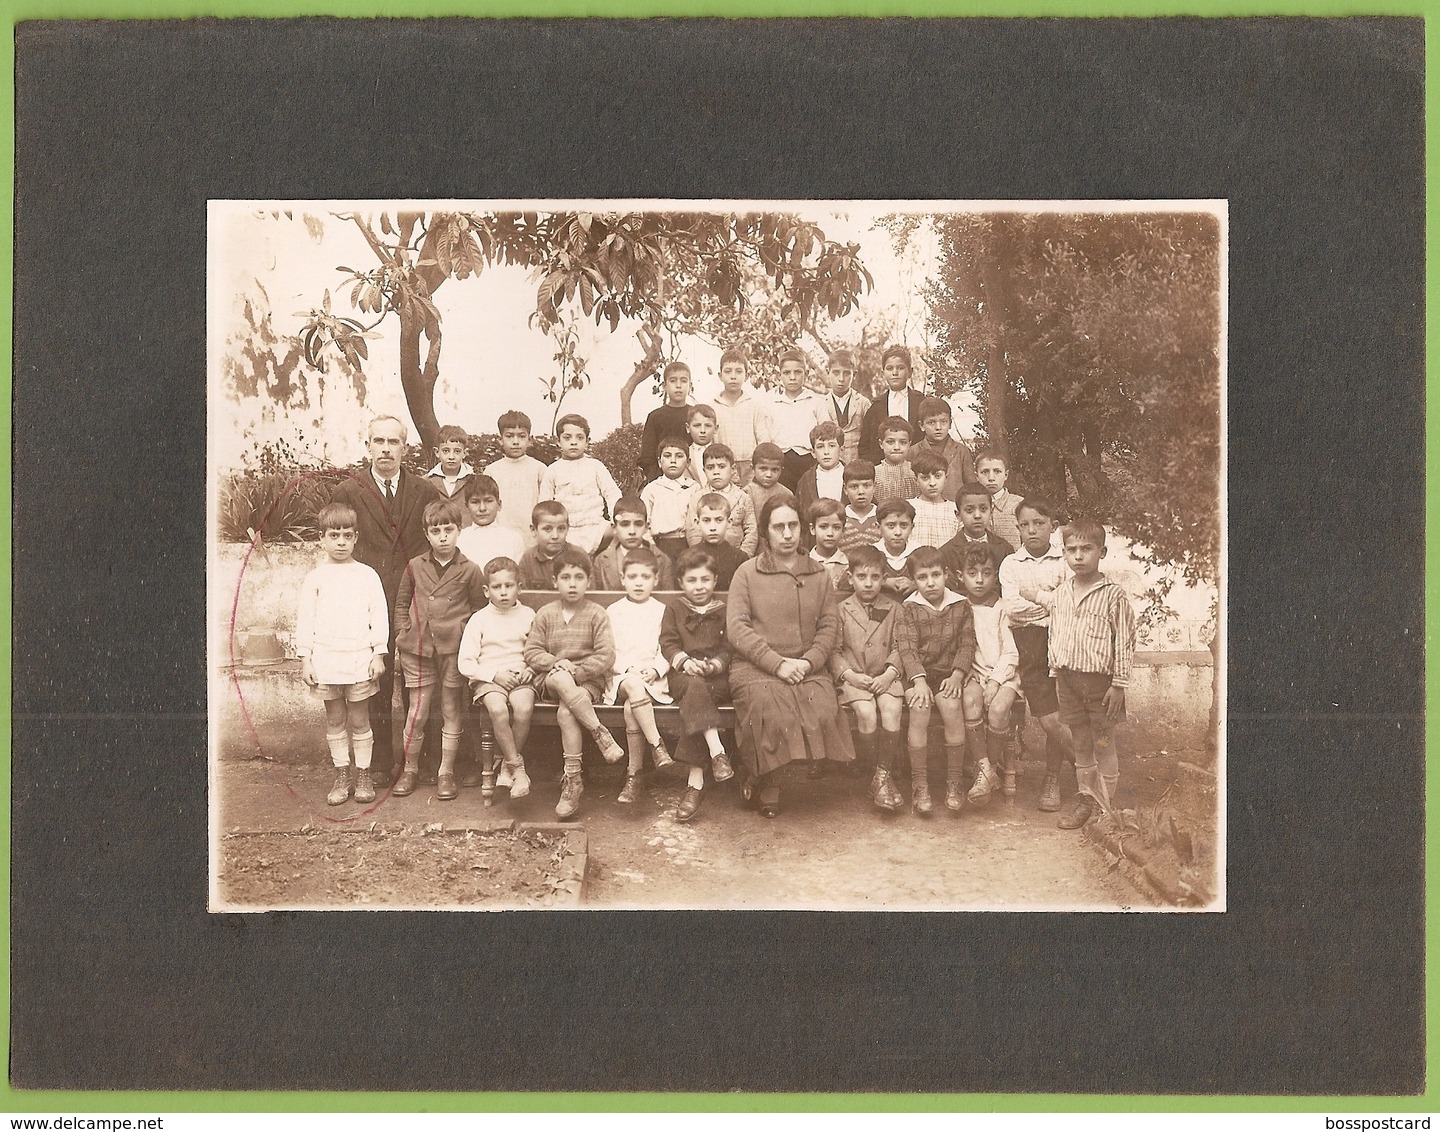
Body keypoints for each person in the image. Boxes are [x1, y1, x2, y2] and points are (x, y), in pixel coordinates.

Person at [328, 414, 441, 785]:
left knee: (416, 679)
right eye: (379, 442)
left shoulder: (424, 491)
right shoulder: (348, 491)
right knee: (372, 681)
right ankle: (375, 765)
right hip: (366, 601)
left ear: (404, 448)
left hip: (411, 601)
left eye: (394, 442)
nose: (386, 449)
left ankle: (418, 761)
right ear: (368, 447)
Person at [726, 498, 854, 818]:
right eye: (778, 527)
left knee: (821, 703)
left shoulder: (818, 573)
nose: (787, 534)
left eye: (793, 526)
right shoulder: (747, 572)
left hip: (805, 665)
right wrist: (776, 663)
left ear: (802, 529)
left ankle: (765, 773)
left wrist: (809, 661)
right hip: (756, 665)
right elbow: (737, 627)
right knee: (767, 704)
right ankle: (769, 781)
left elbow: (828, 624)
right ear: (766, 532)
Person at [1022, 520, 1136, 829]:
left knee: (1102, 742)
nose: (1079, 556)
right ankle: (1087, 799)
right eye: (1072, 550)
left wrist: (1119, 684)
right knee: (1081, 743)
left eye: (1086, 549)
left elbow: (1124, 641)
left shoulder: (1114, 596)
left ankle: (1105, 808)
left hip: (1101, 684)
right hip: (1068, 681)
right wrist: (1056, 671)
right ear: (1064, 554)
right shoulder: (1061, 594)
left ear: (1102, 551)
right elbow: (1056, 632)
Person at [392, 499, 488, 800]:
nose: (443, 536)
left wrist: (465, 638)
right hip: (417, 646)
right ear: (427, 534)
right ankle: (409, 769)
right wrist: (402, 632)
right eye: (436, 530)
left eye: (449, 529)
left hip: (452, 649)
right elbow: (401, 604)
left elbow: (478, 610)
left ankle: (445, 771)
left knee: (450, 708)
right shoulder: (414, 566)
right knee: (418, 711)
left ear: (459, 531)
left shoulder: (471, 569)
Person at [294, 502, 389, 807]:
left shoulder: (367, 575)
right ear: (322, 538)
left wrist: (378, 653)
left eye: (347, 535)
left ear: (356, 537)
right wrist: (306, 658)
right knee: (335, 719)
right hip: (326, 661)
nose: (340, 542)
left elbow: (380, 616)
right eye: (334, 535)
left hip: (358, 659)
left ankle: (364, 774)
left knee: (360, 721)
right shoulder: (316, 577)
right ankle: (342, 774)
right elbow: (305, 619)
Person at [523, 549, 626, 818]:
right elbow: (532, 652)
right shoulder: (546, 614)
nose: (572, 583)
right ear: (555, 581)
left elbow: (606, 655)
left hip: (586, 684)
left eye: (579, 577)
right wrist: (560, 662)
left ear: (588, 582)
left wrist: (577, 671)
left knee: (567, 711)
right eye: (565, 577)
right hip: (552, 679)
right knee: (559, 677)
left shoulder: (596, 614)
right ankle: (599, 731)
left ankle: (573, 781)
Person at [997, 496, 1075, 812]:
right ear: (1017, 528)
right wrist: (1049, 605)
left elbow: (1071, 606)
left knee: (1062, 713)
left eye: (1039, 523)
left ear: (1053, 527)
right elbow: (1013, 609)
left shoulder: (1066, 561)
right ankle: (1091, 772)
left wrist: (1039, 601)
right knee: (1049, 719)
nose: (1032, 530)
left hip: (1065, 642)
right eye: (1025, 525)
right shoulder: (1010, 564)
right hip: (1028, 645)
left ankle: (1053, 777)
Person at [894, 546, 976, 816]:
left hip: (948, 674)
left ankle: (954, 783)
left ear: (947, 575)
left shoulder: (961, 605)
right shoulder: (909, 608)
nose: (930, 583)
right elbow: (907, 648)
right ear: (914, 580)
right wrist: (917, 680)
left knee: (952, 708)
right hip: (918, 674)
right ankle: (920, 783)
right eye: (922, 577)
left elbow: (966, 643)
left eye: (936, 575)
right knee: (919, 709)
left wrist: (957, 674)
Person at [659, 547, 735, 821]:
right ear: (681, 582)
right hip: (683, 675)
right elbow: (668, 642)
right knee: (693, 688)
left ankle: (695, 785)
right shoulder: (675, 608)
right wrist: (684, 661)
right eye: (692, 580)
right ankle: (718, 752)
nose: (699, 586)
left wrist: (714, 665)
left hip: (715, 676)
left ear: (715, 580)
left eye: (705, 579)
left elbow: (728, 648)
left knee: (696, 700)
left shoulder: (724, 610)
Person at [829, 544, 905, 813]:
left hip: (885, 676)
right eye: (862, 577)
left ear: (884, 578)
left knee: (892, 707)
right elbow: (834, 651)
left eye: (875, 577)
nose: (869, 584)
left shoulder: (895, 609)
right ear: (850, 578)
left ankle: (882, 776)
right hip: (854, 678)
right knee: (866, 711)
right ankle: (874, 771)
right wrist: (849, 675)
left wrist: (890, 673)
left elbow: (901, 646)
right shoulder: (840, 609)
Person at [457, 556, 538, 801]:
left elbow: (537, 649)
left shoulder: (528, 614)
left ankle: (504, 765)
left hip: (519, 675)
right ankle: (517, 767)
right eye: (496, 587)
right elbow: (466, 663)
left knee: (524, 708)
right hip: (489, 678)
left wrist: (531, 669)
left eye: (509, 586)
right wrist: (493, 675)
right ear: (486, 590)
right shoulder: (480, 618)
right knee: (498, 710)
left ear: (519, 587)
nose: (503, 592)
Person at [604, 548, 676, 804]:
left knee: (629, 709)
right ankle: (657, 745)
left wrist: (656, 669)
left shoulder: (662, 609)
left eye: (645, 577)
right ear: (622, 579)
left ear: (656, 580)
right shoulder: (613, 611)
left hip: (652, 680)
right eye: (632, 576)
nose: (638, 582)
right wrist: (627, 669)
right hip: (622, 676)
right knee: (632, 687)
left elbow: (668, 646)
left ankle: (634, 775)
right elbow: (608, 649)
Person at [954, 544, 1020, 806]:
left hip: (1004, 674)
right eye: (973, 573)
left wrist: (995, 681)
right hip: (973, 673)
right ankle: (986, 772)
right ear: (961, 576)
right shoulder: (958, 607)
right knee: (971, 700)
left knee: (999, 708)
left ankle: (986, 769)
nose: (980, 580)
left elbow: (1012, 653)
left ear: (995, 576)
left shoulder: (1003, 608)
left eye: (987, 573)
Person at [538, 413, 623, 555]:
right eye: (567, 438)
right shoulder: (552, 470)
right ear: (558, 441)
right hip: (566, 529)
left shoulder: (595, 466)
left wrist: (616, 518)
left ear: (587, 441)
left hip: (596, 527)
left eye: (579, 437)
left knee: (618, 533)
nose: (573, 442)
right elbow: (544, 503)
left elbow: (612, 493)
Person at [768, 349, 830, 491]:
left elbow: (826, 434)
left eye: (797, 372)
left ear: (806, 374)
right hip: (780, 462)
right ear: (780, 375)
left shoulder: (816, 401)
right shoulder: (770, 402)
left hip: (808, 460)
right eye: (787, 373)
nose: (792, 377)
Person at [485, 411, 547, 549]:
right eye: (509, 436)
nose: (515, 441)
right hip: (502, 535)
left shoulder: (539, 469)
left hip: (531, 536)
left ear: (529, 440)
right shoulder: (492, 471)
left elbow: (545, 504)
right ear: (500, 439)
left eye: (521, 436)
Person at [710, 349, 771, 485]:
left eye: (738, 371)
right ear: (720, 375)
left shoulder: (754, 407)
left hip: (750, 466)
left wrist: (758, 465)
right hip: (721, 464)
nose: (733, 376)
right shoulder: (712, 407)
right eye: (728, 371)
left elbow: (764, 441)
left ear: (747, 375)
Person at [684, 444, 758, 555]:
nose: (716, 472)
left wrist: (743, 556)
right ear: (704, 471)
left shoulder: (743, 497)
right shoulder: (697, 497)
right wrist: (699, 556)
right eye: (710, 467)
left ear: (733, 469)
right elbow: (693, 530)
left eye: (721, 466)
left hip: (736, 556)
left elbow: (751, 530)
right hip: (705, 558)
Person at [859, 345, 926, 463]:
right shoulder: (876, 407)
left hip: (917, 467)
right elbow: (865, 446)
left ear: (910, 372)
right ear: (883, 372)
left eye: (900, 368)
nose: (895, 372)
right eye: (890, 368)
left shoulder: (921, 402)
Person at [593, 495, 676, 589]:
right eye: (625, 525)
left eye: (638, 524)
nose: (632, 531)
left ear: (646, 527)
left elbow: (668, 599)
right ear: (614, 528)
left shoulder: (662, 560)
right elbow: (597, 598)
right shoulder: (601, 561)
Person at [641, 435, 702, 563]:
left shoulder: (694, 488)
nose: (673, 460)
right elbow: (643, 523)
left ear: (688, 462)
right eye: (667, 456)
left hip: (688, 544)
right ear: (659, 461)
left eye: (679, 456)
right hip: (660, 545)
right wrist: (651, 547)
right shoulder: (652, 489)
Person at [940, 483, 1015, 585]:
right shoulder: (946, 553)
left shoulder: (1004, 549)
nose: (977, 515)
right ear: (958, 515)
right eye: (969, 510)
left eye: (983, 509)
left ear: (991, 511)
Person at [638, 361, 694, 482]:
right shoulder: (655, 417)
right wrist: (660, 481)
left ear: (690, 385)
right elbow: (648, 457)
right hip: (662, 479)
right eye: (673, 381)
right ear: (664, 386)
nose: (678, 385)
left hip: (693, 478)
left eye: (683, 381)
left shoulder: (695, 415)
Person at [455, 474, 525, 567]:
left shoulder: (513, 538)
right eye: (475, 502)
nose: (482, 508)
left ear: (499, 504)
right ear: (466, 506)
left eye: (488, 501)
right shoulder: (459, 539)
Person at [908, 396, 974, 490]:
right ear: (921, 425)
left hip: (954, 503)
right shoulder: (913, 452)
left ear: (950, 423)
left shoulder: (961, 451)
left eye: (943, 422)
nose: (938, 427)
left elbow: (971, 486)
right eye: (931, 423)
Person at [689, 494, 749, 589]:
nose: (713, 528)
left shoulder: (740, 558)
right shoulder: (688, 557)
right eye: (706, 520)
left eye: (719, 520)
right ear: (697, 523)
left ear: (729, 522)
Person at [517, 501, 579, 589]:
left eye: (561, 529)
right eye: (547, 529)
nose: (555, 536)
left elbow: (591, 595)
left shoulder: (579, 556)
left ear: (568, 528)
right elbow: (523, 595)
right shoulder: (527, 559)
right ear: (534, 530)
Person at [824, 348, 870, 465]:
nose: (841, 379)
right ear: (827, 372)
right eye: (836, 373)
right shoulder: (820, 404)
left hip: (857, 466)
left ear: (854, 374)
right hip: (830, 466)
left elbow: (869, 440)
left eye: (846, 373)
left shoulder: (863, 403)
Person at [794, 420, 846, 520]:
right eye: (820, 447)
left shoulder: (851, 475)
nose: (826, 452)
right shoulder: (806, 480)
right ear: (813, 452)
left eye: (831, 446)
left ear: (841, 450)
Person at [907, 449, 958, 548]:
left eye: (938, 476)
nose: (932, 483)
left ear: (946, 477)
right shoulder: (908, 508)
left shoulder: (955, 509)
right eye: (925, 478)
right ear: (916, 480)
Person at [426, 424, 477, 521]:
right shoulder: (426, 481)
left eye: (457, 451)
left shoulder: (474, 481)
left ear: (464, 453)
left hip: (466, 534)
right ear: (437, 452)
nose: (451, 456)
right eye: (446, 451)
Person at [975, 449, 1021, 549]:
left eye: (997, 471)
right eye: (984, 472)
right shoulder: (972, 505)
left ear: (1006, 475)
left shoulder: (1019, 504)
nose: (991, 478)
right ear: (977, 476)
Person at [875, 499, 921, 599]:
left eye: (904, 525)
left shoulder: (920, 553)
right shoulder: (872, 553)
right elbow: (845, 581)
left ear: (912, 527)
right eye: (891, 525)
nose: (898, 532)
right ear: (878, 527)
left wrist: (916, 584)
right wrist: (883, 581)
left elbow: (947, 580)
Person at [807, 498, 852, 594]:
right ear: (812, 529)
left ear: (843, 531)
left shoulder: (848, 565)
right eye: (823, 527)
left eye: (836, 527)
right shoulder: (803, 563)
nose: (830, 533)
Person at [838, 460, 881, 555]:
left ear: (874, 487)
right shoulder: (839, 519)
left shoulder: (883, 518)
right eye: (854, 487)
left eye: (866, 486)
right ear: (845, 489)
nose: (861, 491)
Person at [874, 417, 920, 506]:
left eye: (903, 442)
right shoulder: (875, 474)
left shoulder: (915, 472)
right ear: (881, 444)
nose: (897, 447)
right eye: (890, 442)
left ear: (909, 444)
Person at [743, 442, 794, 518]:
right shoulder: (747, 492)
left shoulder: (787, 493)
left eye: (775, 470)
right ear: (753, 468)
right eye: (763, 469)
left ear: (781, 470)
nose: (769, 475)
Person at [685, 403, 719, 483]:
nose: (702, 430)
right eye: (697, 426)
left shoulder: (723, 453)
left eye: (708, 425)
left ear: (715, 429)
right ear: (688, 428)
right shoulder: (684, 455)